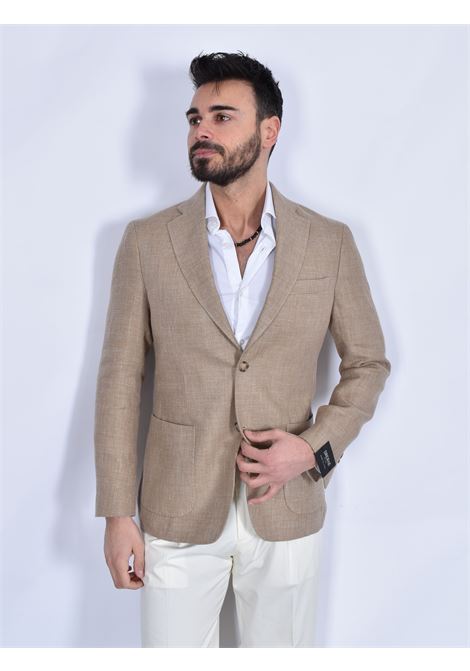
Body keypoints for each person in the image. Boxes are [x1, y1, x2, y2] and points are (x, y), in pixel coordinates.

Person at [94, 51, 391, 648]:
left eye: (221, 116)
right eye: (194, 118)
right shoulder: (147, 242)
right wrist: (118, 514)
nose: (200, 130)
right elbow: (120, 379)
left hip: (287, 505)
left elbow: (368, 364)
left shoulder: (329, 242)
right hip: (175, 508)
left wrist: (312, 451)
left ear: (269, 130)